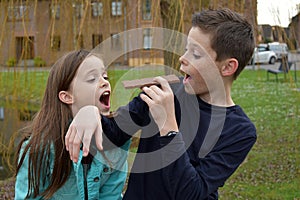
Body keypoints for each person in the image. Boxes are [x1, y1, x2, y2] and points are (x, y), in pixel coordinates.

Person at [66, 8, 257, 199]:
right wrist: (89, 113)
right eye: (186, 49)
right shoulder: (164, 92)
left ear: (227, 67)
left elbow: (191, 193)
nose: (182, 58)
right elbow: (113, 133)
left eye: (196, 54)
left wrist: (168, 127)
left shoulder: (240, 131)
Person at [15, 49, 130, 200]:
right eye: (92, 79)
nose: (105, 82)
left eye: (105, 76)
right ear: (67, 96)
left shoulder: (116, 140)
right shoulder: (39, 148)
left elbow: (111, 196)